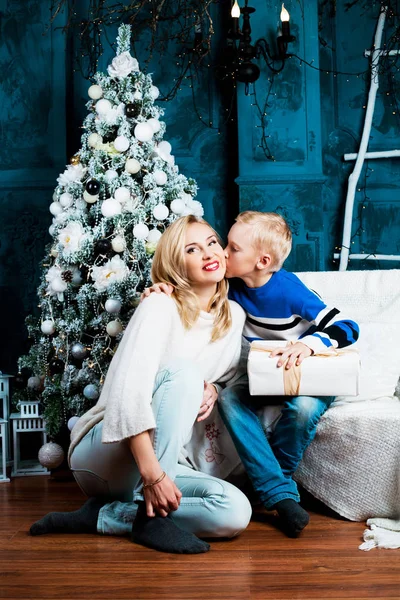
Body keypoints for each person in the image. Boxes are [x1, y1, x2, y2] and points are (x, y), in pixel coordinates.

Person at [29, 215, 252, 554]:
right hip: (107, 450)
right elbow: (127, 393)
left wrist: (215, 389)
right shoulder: (160, 305)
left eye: (211, 242)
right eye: (192, 249)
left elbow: (228, 376)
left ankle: (105, 517)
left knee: (234, 511)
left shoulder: (233, 317)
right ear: (176, 263)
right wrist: (154, 476)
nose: (208, 253)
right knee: (184, 373)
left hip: (164, 462)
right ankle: (153, 520)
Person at [143, 211, 360, 538]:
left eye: (233, 248)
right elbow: (193, 289)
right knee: (230, 399)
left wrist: (309, 345)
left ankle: (274, 489)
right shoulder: (231, 286)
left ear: (262, 260)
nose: (223, 254)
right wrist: (161, 291)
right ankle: (280, 494)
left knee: (304, 409)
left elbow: (348, 326)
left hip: (307, 375)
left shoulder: (288, 290)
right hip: (263, 375)